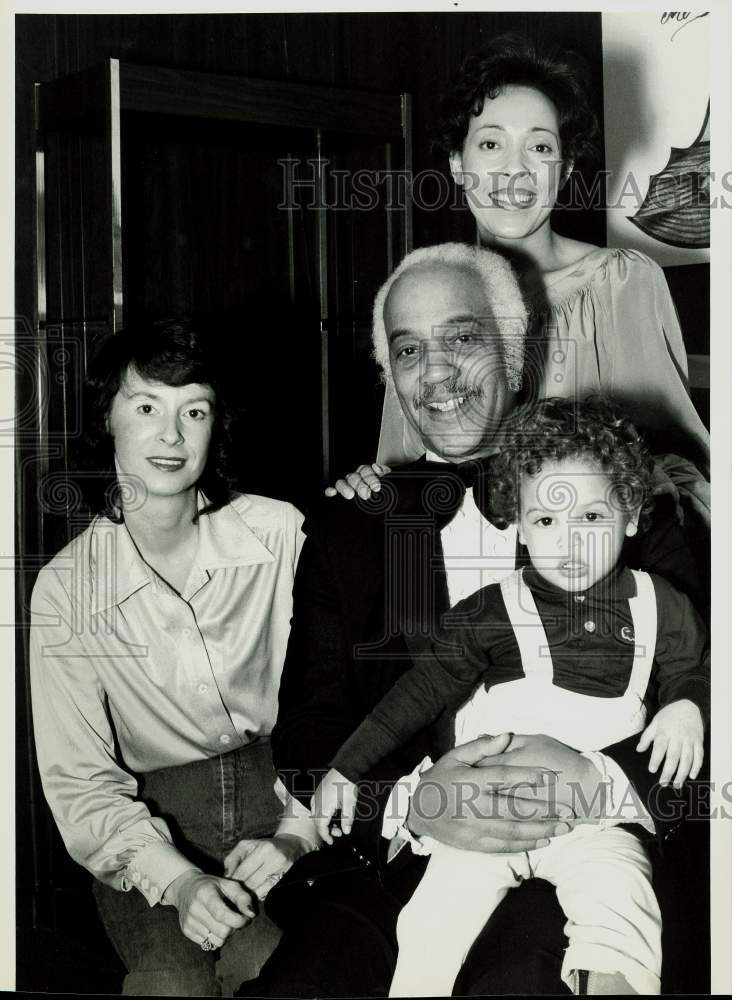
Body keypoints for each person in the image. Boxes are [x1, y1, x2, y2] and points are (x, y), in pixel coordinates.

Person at [241, 244, 703, 998]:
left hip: (601, 847)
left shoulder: (621, 502)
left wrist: (593, 778)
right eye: (409, 350)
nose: (437, 372)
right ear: (391, 377)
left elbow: (704, 684)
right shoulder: (350, 529)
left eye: (462, 339)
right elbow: (307, 732)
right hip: (408, 860)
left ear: (516, 351)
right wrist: (413, 802)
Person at [314, 397, 709, 997]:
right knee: (430, 923)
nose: (569, 543)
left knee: (625, 906)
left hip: (597, 820)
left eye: (592, 518)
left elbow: (695, 666)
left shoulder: (663, 601)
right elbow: (414, 696)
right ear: (520, 525)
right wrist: (347, 765)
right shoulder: (491, 611)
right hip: (490, 812)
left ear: (631, 514)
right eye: (546, 521)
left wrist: (687, 704)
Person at [29, 320, 316, 997]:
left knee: (272, 968)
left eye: (194, 410)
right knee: (169, 982)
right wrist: (179, 879)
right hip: (152, 818)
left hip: (281, 796)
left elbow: (338, 699)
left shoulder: (281, 533)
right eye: (147, 407)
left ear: (216, 426)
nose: (171, 435)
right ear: (108, 418)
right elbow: (80, 781)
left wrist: (298, 832)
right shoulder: (67, 588)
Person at [370, 33, 709, 523]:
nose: (515, 170)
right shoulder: (424, 297)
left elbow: (681, 468)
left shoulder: (620, 284)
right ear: (458, 164)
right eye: (490, 144)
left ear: (565, 168)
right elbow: (402, 466)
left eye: (539, 147)